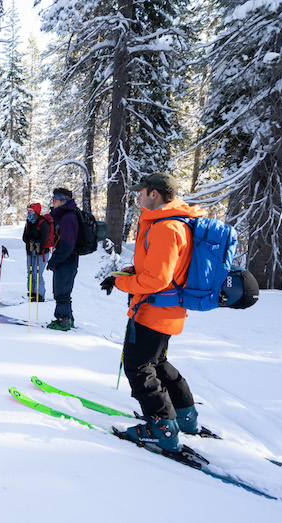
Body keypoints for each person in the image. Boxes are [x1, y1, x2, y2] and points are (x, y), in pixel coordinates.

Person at [100, 173, 206, 452]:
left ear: (155, 194)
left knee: (138, 367)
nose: (138, 196)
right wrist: (128, 273)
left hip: (154, 309)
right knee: (157, 363)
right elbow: (163, 271)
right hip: (167, 308)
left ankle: (161, 428)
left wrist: (123, 282)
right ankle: (185, 416)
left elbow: (157, 280)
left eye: (141, 191)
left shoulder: (165, 227)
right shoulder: (177, 223)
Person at [46, 188, 79, 330]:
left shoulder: (68, 217)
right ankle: (68, 318)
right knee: (64, 292)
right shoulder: (66, 216)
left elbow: (67, 244)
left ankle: (62, 321)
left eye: (55, 199)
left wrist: (54, 261)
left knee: (61, 293)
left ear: (62, 200)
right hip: (66, 260)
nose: (53, 202)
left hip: (66, 261)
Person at [22, 203, 50, 302]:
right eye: (28, 210)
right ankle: (31, 292)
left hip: (41, 252)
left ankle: (40, 294)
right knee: (30, 272)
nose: (28, 212)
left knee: (37, 273)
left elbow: (44, 238)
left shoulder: (43, 223)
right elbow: (24, 237)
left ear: (36, 212)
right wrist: (30, 242)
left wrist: (35, 242)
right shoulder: (28, 222)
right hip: (30, 251)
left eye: (31, 210)